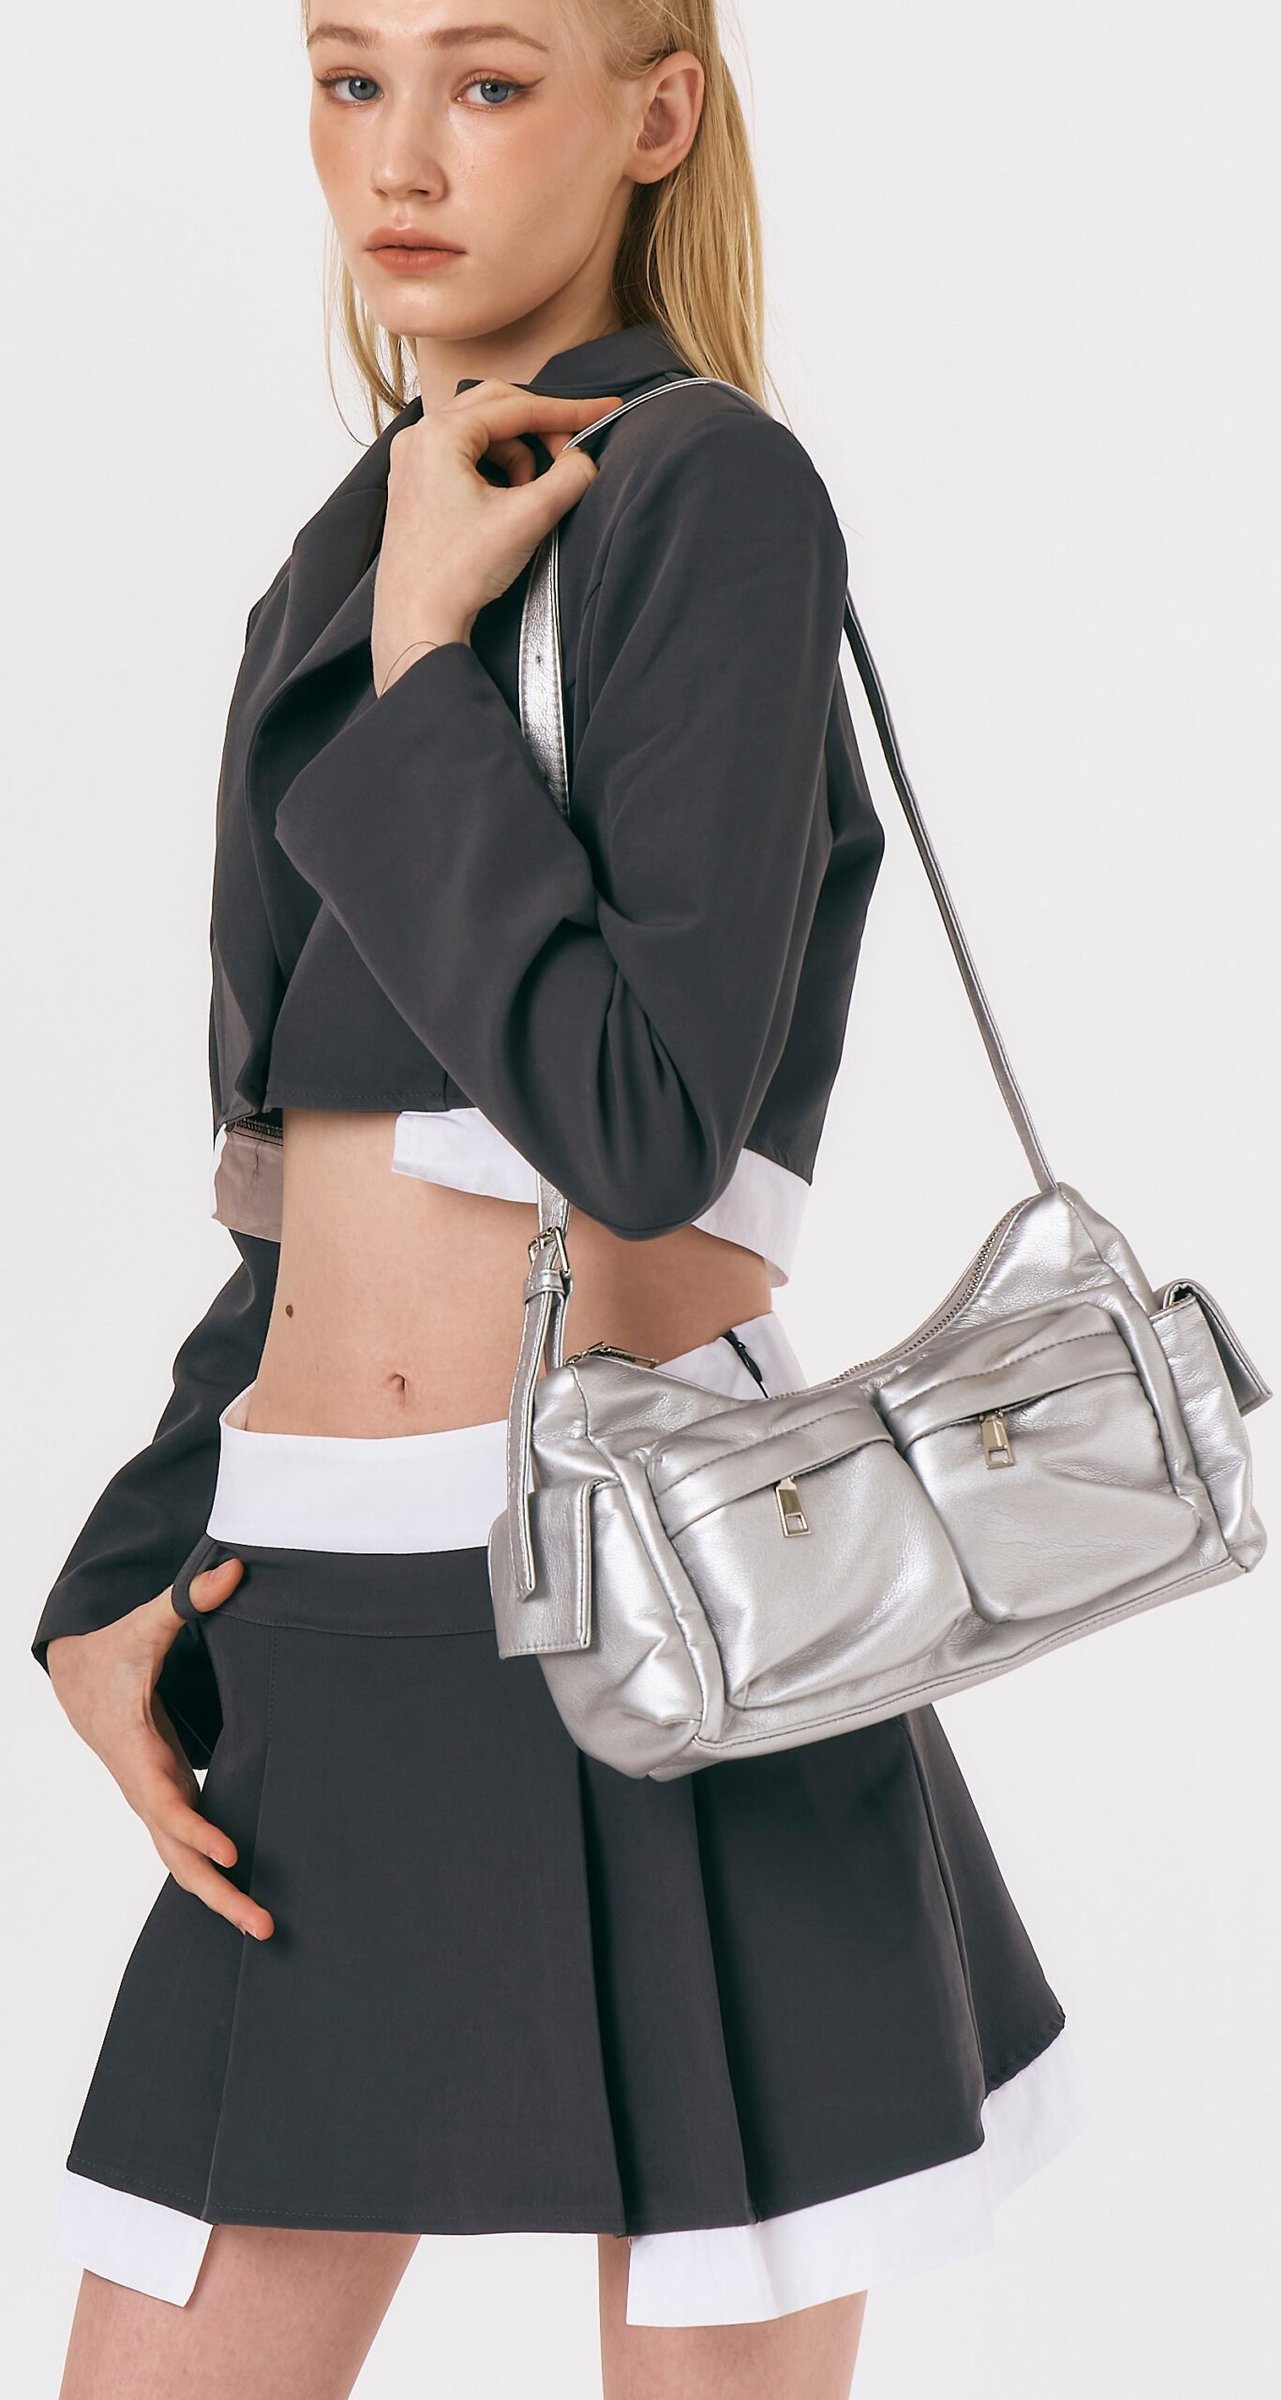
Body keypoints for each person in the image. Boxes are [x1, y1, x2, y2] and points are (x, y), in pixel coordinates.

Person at [32, 4, 1090, 2393]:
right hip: (319, 1605)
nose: (397, 156)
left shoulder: (711, 497)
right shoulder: (345, 545)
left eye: (487, 79)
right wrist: (125, 1577)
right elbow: (287, 1182)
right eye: (348, 76)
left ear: (654, 112)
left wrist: (428, 663)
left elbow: (637, 1124)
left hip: (649, 1608)